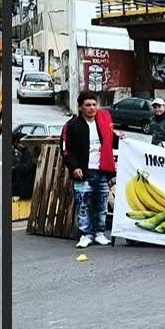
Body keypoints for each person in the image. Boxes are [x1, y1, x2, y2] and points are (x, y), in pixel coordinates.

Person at [62, 95, 116, 248]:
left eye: (94, 104)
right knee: (84, 206)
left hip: (102, 171)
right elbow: (66, 150)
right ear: (80, 107)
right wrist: (74, 167)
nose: (92, 108)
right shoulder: (71, 125)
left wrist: (122, 137)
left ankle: (99, 233)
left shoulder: (104, 123)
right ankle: (85, 235)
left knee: (102, 206)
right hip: (83, 173)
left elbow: (112, 140)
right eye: (88, 105)